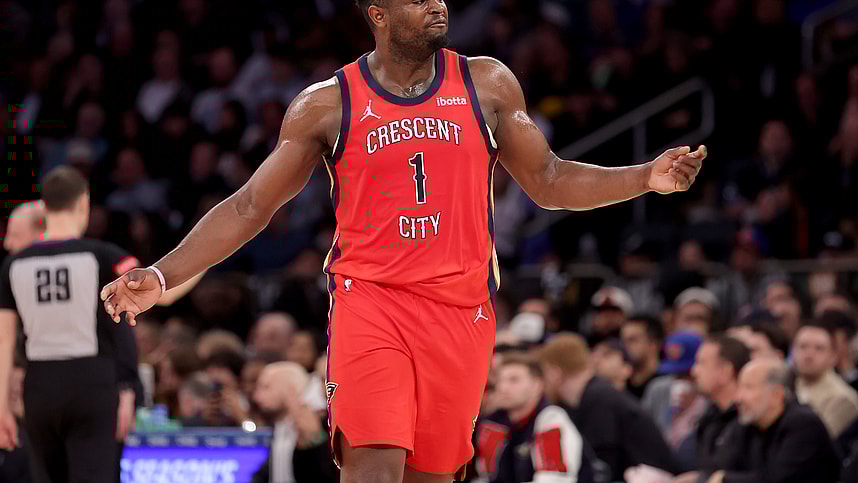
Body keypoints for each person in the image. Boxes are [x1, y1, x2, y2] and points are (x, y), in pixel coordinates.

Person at [99, 1, 707, 481]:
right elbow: (251, 205)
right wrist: (162, 274)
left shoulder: (488, 83)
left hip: (461, 312)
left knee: (431, 475)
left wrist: (644, 178)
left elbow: (548, 180)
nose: (437, 5)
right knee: (374, 465)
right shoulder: (326, 104)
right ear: (379, 14)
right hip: (372, 303)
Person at [0, 167, 142, 482]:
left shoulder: (14, 264)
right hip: (91, 381)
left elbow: (4, 341)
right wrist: (202, 261)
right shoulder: (103, 255)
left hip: (39, 386)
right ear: (83, 204)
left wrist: (1, 408)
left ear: (44, 206)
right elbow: (159, 291)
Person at [537, 334, 680, 480]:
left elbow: (603, 467)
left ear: (554, 373)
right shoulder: (592, 395)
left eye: (543, 375)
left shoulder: (598, 399)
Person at [706, 358, 839, 483]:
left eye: (748, 387)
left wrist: (725, 479)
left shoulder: (804, 425)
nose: (738, 398)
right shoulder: (747, 423)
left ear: (776, 395)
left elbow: (778, 479)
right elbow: (718, 467)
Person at [475, 354, 595, 483]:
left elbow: (554, 479)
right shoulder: (493, 422)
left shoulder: (551, 419)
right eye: (500, 380)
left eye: (514, 380)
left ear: (537, 385)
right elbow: (486, 476)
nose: (503, 388)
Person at [674, 336, 750, 483]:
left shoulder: (749, 420)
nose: (694, 371)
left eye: (701, 363)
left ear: (725, 371)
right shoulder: (710, 417)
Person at [251, 362, 338, 483]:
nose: (257, 397)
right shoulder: (280, 426)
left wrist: (314, 442)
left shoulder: (322, 421)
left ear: (290, 389)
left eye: (266, 387)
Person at [793, 321, 858, 438]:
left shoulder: (842, 398)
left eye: (819, 348)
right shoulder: (787, 384)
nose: (809, 355)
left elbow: (814, 441)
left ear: (833, 356)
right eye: (803, 347)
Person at [621, 315, 664, 399]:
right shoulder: (620, 384)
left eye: (632, 340)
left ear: (653, 344)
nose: (624, 346)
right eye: (623, 341)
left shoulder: (667, 384)